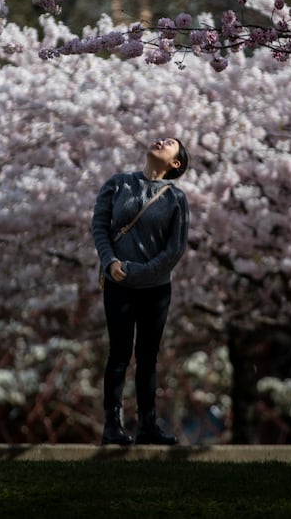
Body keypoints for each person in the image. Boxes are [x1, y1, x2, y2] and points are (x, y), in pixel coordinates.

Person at [91, 136, 190, 446]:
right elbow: (100, 227)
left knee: (147, 356)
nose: (161, 140)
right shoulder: (118, 184)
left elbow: (175, 250)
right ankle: (113, 424)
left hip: (155, 289)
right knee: (119, 353)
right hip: (118, 285)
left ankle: (148, 424)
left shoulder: (176, 199)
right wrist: (110, 262)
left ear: (176, 164)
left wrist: (140, 272)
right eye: (161, 138)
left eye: (170, 143)